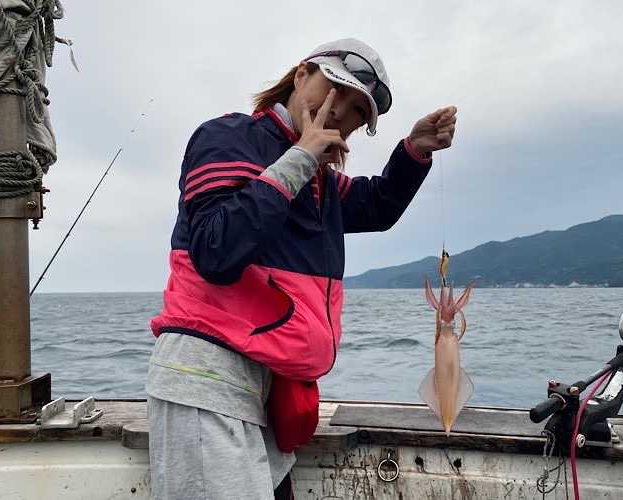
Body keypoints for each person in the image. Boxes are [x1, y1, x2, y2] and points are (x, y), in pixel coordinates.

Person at [146, 37, 457, 500]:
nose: (339, 113)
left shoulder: (319, 182)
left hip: (263, 393)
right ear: (300, 76)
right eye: (334, 89)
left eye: (356, 111)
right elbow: (214, 249)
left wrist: (414, 151)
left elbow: (377, 207)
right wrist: (302, 158)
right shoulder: (229, 137)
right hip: (206, 384)